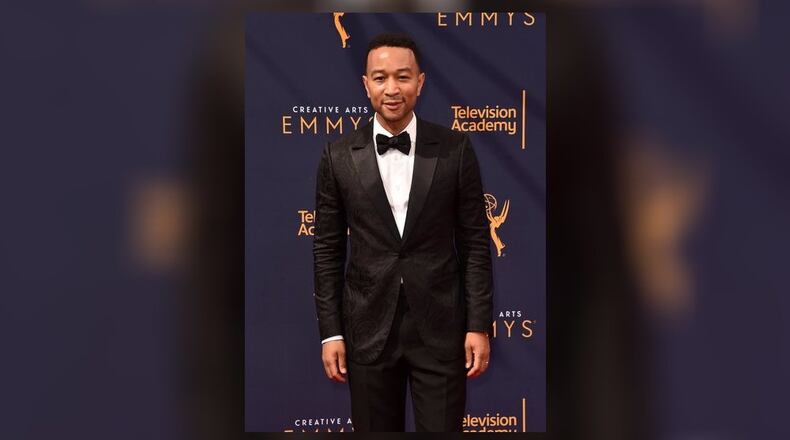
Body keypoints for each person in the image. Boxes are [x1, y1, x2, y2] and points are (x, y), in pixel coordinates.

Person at [313, 33, 493, 432]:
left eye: (402, 77)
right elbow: (326, 250)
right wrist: (331, 334)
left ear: (420, 82)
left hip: (442, 327)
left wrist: (477, 324)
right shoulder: (337, 155)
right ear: (366, 84)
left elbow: (476, 243)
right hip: (367, 329)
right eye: (380, 78)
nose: (392, 89)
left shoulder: (455, 149)